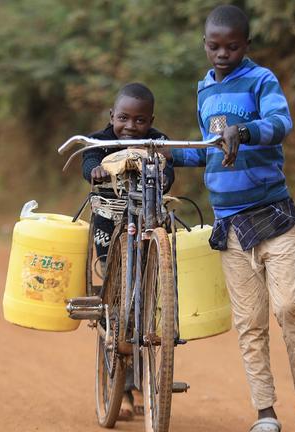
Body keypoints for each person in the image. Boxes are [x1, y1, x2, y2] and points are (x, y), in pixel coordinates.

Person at [170, 5, 295, 432]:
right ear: (205, 45)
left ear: (246, 46)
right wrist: (164, 151)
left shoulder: (262, 80)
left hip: (272, 214)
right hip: (230, 226)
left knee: (290, 306)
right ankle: (265, 412)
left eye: (233, 46)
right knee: (250, 323)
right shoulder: (204, 89)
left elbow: (280, 122)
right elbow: (204, 149)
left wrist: (244, 132)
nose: (223, 54)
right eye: (215, 46)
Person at [81, 82, 174, 421]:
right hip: (110, 224)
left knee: (141, 309)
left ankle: (136, 386)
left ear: (151, 120)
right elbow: (89, 157)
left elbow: (169, 169)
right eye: (123, 118)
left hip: (145, 226)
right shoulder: (101, 139)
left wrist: (164, 176)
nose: (131, 127)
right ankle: (118, 387)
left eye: (140, 120)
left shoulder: (157, 142)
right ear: (111, 116)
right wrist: (94, 168)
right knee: (116, 308)